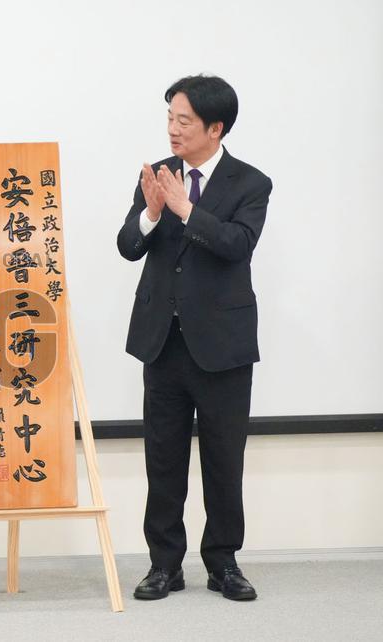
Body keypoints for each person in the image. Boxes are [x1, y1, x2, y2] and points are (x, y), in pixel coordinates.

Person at [117, 74, 272, 601]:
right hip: (164, 342)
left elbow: (237, 244)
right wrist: (151, 212)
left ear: (215, 128)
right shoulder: (157, 176)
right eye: (169, 118)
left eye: (184, 120)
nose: (173, 129)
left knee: (224, 461)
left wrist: (184, 209)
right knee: (163, 460)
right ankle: (164, 565)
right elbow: (128, 246)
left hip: (223, 347)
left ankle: (223, 563)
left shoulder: (251, 183)